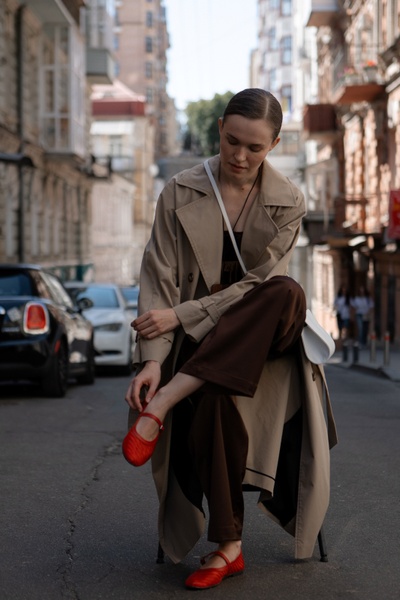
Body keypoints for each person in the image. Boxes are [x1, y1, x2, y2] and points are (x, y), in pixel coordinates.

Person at [124, 89, 337, 591]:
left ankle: (168, 403)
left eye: (255, 148)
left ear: (275, 144)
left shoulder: (290, 198)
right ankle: (228, 546)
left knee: (283, 290)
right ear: (219, 127)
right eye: (231, 141)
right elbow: (158, 274)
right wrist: (153, 363)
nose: (240, 157)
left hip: (267, 331)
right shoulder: (179, 190)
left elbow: (257, 285)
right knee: (215, 391)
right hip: (207, 345)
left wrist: (181, 315)